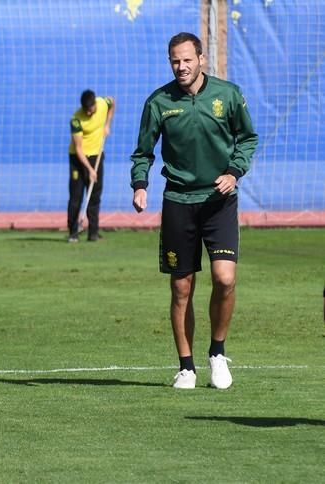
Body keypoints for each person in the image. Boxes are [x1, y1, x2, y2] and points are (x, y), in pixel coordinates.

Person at [130, 32, 258, 390]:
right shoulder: (158, 102)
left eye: (187, 59)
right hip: (178, 203)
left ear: (202, 59)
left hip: (219, 202)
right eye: (175, 61)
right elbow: (143, 152)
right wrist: (140, 184)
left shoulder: (228, 95)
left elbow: (248, 138)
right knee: (181, 287)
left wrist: (234, 172)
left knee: (225, 278)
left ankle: (217, 353)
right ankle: (186, 367)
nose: (181, 66)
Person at [67, 89, 115, 242]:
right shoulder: (76, 119)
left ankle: (93, 232)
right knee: (76, 196)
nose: (89, 112)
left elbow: (112, 102)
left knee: (94, 195)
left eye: (91, 109)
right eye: (86, 110)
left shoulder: (102, 103)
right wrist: (89, 170)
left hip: (97, 155)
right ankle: (73, 232)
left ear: (95, 104)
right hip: (78, 159)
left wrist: (107, 124)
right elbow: (79, 149)